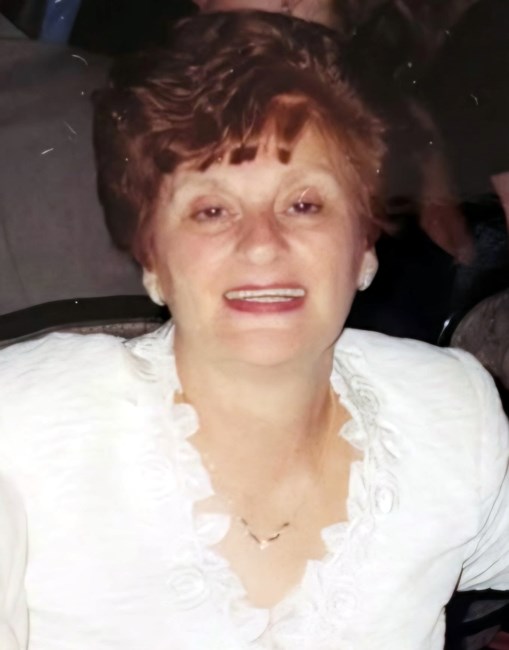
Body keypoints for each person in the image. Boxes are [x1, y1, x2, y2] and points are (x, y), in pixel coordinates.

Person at [0, 10, 508, 650]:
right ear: (151, 259)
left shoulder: (452, 414)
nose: (262, 244)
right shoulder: (21, 431)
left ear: (364, 246)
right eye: (212, 210)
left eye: (304, 204)